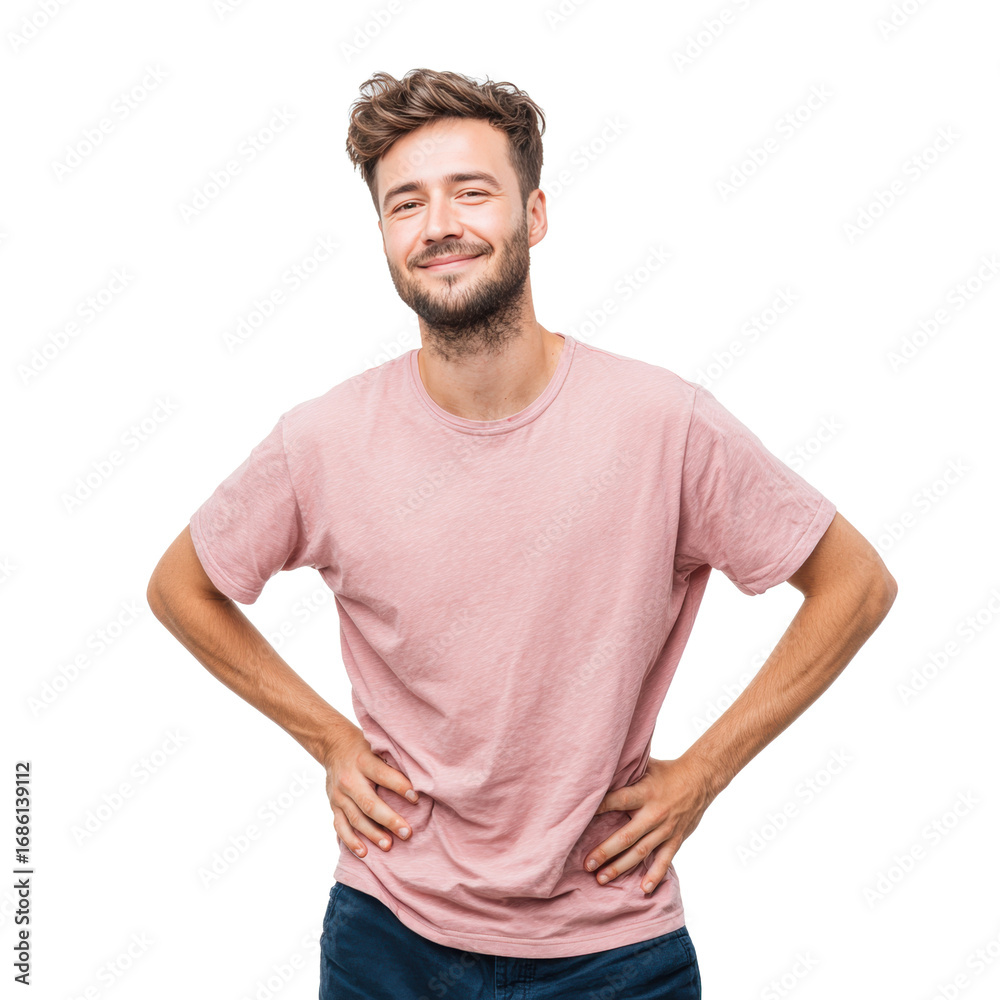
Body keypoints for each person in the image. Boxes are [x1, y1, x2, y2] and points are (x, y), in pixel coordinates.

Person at [146, 68, 897, 1000]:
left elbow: (856, 584)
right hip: (389, 938)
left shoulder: (662, 424)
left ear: (534, 215)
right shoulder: (323, 441)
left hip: (616, 949)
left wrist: (705, 772)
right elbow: (181, 587)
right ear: (383, 236)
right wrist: (329, 741)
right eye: (406, 203)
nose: (439, 225)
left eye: (471, 192)